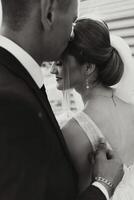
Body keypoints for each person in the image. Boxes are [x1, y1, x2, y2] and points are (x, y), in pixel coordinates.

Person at [0, 1, 123, 200]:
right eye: (73, 21)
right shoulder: (9, 101)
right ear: (48, 13)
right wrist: (103, 185)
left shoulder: (17, 81)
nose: (73, 34)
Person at [51, 18, 134, 199]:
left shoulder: (74, 132)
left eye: (59, 62)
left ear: (88, 67)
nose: (52, 70)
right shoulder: (131, 107)